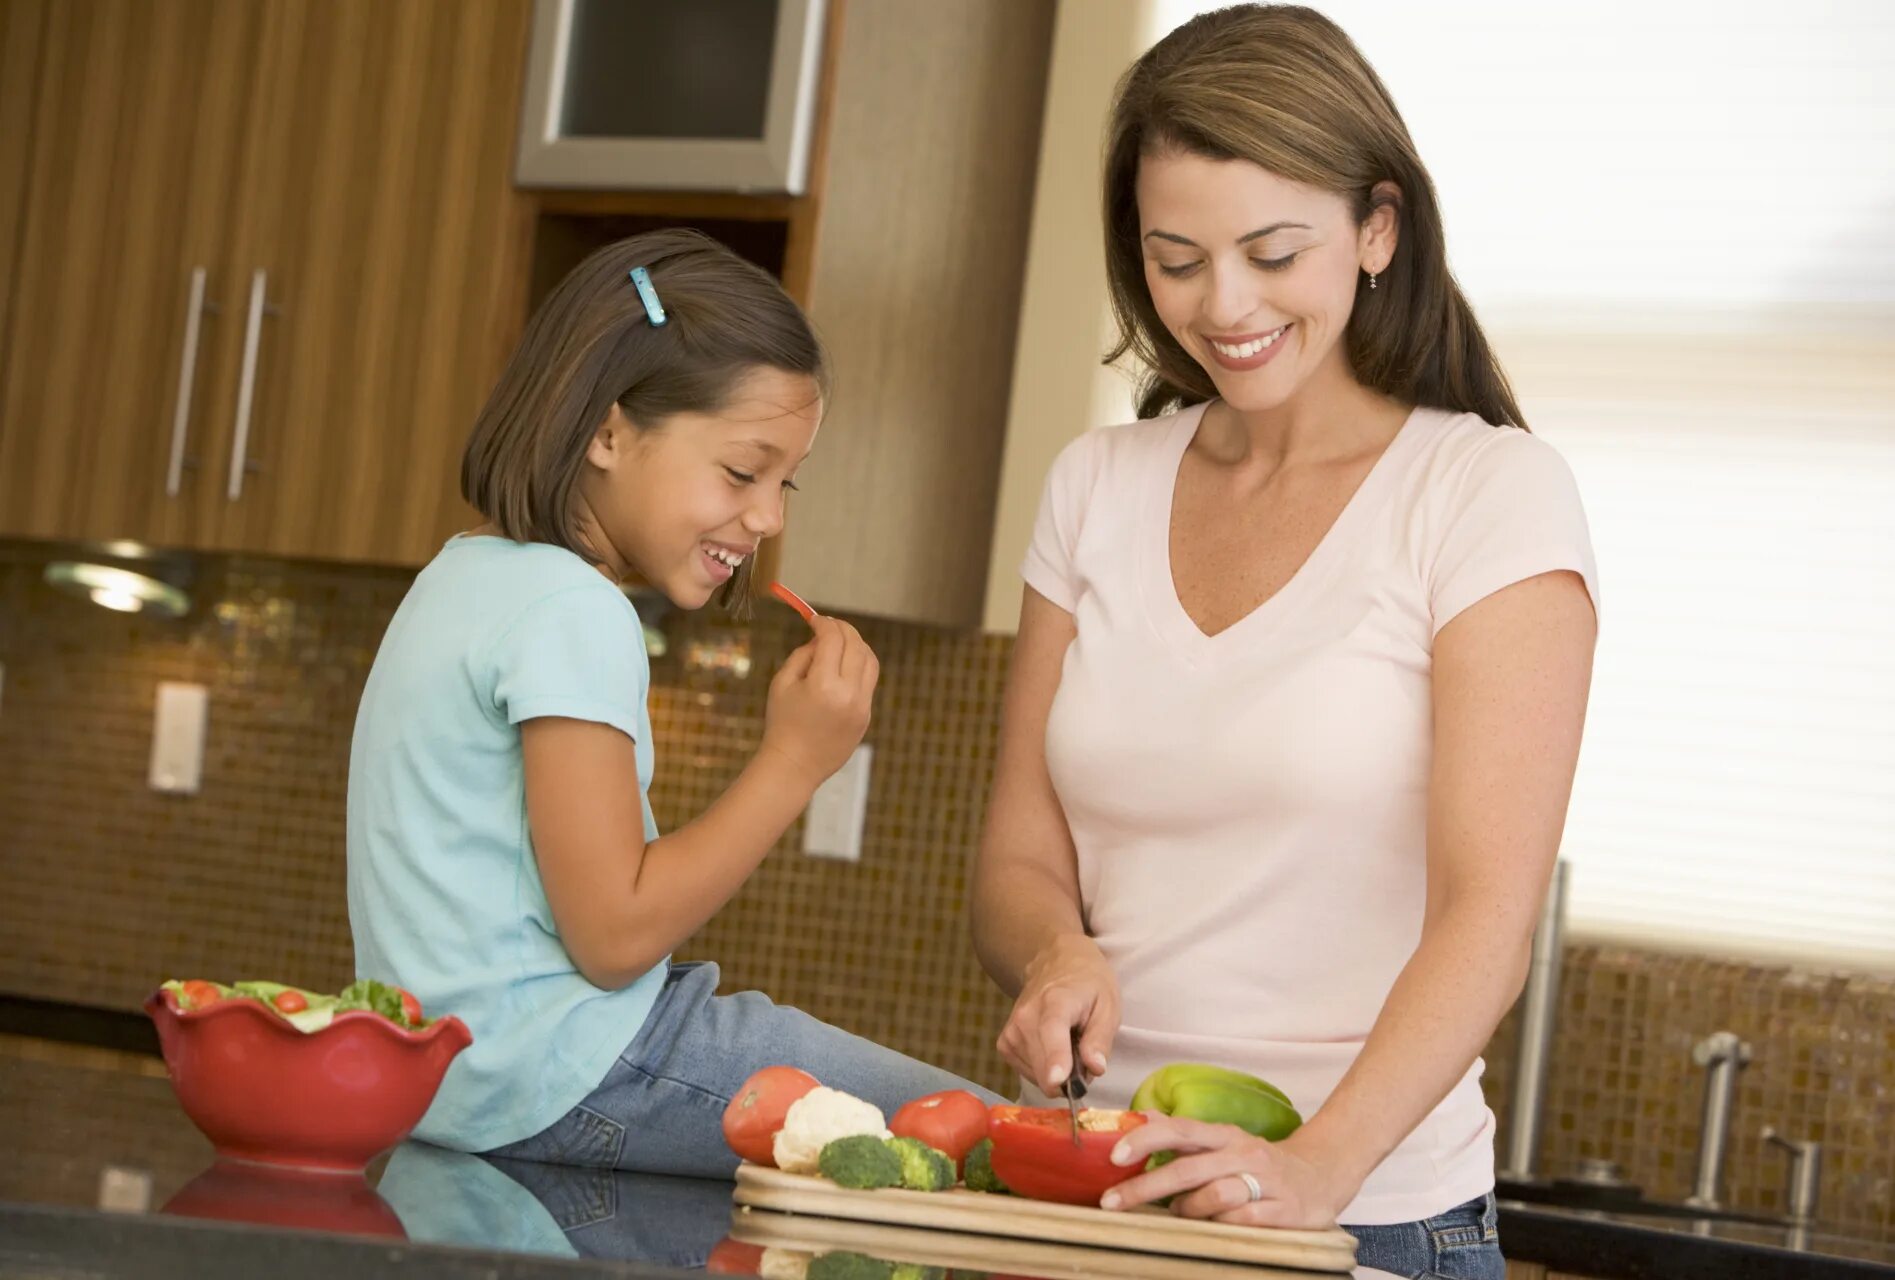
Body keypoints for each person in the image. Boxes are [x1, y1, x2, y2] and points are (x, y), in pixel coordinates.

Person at [970, 6, 1597, 1276]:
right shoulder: (1092, 484)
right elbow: (1018, 850)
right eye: (1176, 258)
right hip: (1099, 1199)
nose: (1225, 304)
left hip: (1370, 1218)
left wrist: (1319, 1163)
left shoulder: (1484, 495)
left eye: (1271, 250)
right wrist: (1053, 950)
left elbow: (1487, 912)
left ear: (1376, 228)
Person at [348, 228, 996, 1178]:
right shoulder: (573, 610)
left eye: (785, 482)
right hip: (583, 1073)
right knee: (992, 1142)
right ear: (608, 432)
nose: (769, 517)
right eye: (741, 472)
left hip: (456, 1094)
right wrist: (796, 762)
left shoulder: (460, 578)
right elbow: (615, 934)